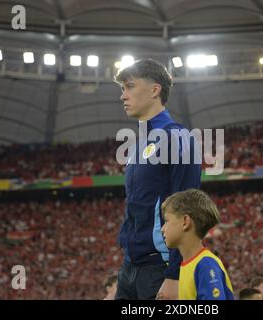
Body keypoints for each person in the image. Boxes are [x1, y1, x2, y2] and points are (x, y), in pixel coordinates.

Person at [114, 59, 201, 300]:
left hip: (160, 269)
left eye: (130, 86)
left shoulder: (178, 137)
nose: (123, 96)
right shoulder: (137, 145)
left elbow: (188, 209)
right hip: (130, 268)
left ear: (155, 90)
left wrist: (174, 275)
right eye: (122, 89)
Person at [160, 189, 234, 300]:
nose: (162, 229)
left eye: (167, 221)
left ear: (185, 222)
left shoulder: (206, 265)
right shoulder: (188, 264)